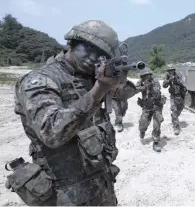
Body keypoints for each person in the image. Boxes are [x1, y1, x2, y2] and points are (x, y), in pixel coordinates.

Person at [8, 20, 125, 206]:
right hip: (65, 192)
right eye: (87, 48)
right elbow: (52, 133)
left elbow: (125, 94)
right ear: (71, 43)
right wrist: (99, 89)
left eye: (101, 54)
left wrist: (118, 81)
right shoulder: (40, 80)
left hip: (99, 183)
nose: (93, 57)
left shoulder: (90, 77)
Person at [135, 68, 166, 152]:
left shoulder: (155, 81)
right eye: (145, 76)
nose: (147, 77)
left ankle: (156, 142)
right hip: (146, 107)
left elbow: (157, 94)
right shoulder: (140, 82)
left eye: (148, 75)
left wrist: (150, 87)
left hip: (156, 106)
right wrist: (144, 87)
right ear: (142, 76)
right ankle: (142, 131)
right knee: (143, 123)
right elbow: (135, 89)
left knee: (157, 126)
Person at [162, 65, 187, 135]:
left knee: (180, 108)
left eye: (171, 70)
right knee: (174, 110)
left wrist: (176, 79)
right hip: (173, 96)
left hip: (181, 95)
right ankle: (176, 127)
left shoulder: (179, 74)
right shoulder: (167, 76)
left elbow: (183, 81)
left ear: (174, 70)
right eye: (169, 71)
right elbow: (164, 86)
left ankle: (174, 117)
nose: (170, 72)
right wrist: (169, 80)